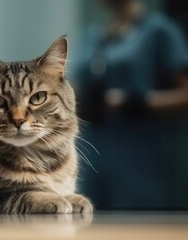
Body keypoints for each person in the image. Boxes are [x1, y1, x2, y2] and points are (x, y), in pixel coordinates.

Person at [74, 0, 188, 209]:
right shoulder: (92, 36)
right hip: (92, 152)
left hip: (138, 155)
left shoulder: (159, 31)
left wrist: (139, 103)